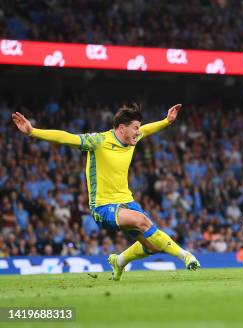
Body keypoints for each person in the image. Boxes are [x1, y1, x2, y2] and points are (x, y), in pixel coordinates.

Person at [12, 103, 199, 281]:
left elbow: (148, 129)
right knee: (142, 221)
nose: (138, 132)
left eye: (138, 127)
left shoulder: (133, 138)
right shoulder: (99, 141)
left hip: (127, 202)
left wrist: (167, 121)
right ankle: (185, 256)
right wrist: (33, 132)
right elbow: (66, 137)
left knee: (153, 246)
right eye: (135, 128)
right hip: (103, 207)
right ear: (121, 128)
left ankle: (119, 261)